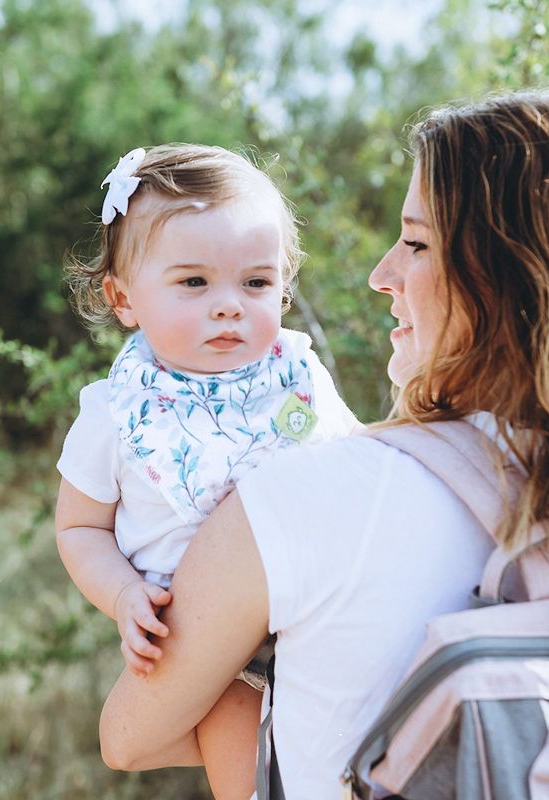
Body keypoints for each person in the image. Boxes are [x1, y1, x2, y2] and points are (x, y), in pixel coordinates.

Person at [98, 88, 549, 798]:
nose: (383, 274)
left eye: (415, 243)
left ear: (517, 279)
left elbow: (131, 737)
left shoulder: (312, 498)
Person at [54, 143, 357, 799]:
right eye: (194, 282)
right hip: (204, 640)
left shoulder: (295, 383)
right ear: (123, 297)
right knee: (233, 719)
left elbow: (352, 459)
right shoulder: (117, 412)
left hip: (313, 619)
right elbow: (80, 529)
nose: (229, 305)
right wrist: (122, 595)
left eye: (256, 283)